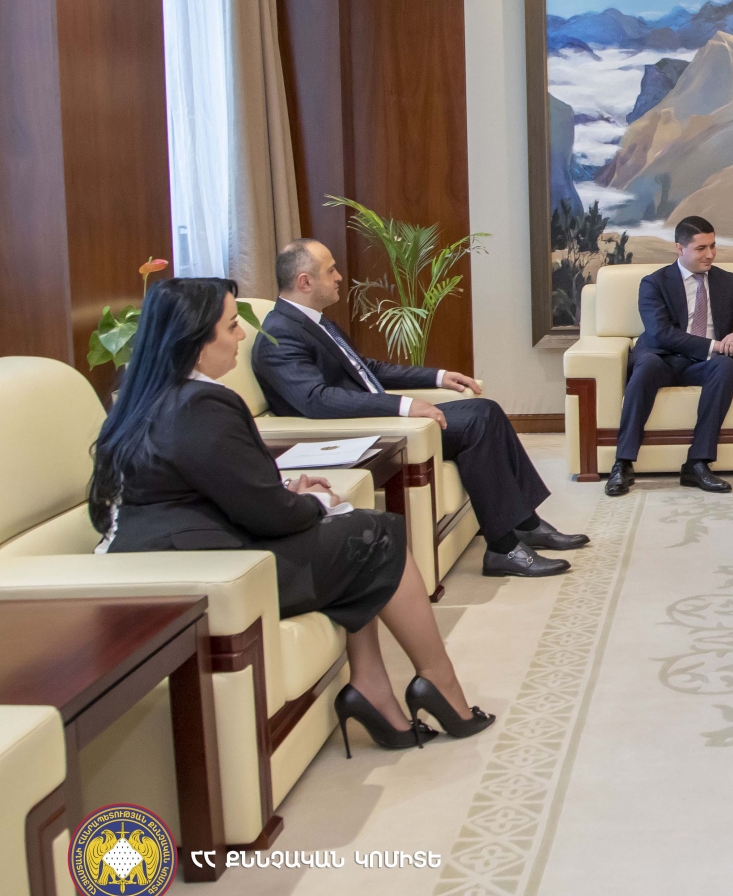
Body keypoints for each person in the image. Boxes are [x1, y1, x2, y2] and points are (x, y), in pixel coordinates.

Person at [91, 278, 496, 753]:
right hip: (202, 570)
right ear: (196, 341)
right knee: (377, 534)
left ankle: (373, 688)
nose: (241, 336)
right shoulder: (201, 404)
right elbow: (270, 517)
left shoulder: (141, 393)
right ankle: (438, 681)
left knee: (351, 533)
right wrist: (311, 502)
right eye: (231, 326)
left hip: (164, 554)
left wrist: (285, 491)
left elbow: (201, 483)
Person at [253, 239, 585, 580]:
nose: (339, 277)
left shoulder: (315, 323)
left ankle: (525, 524)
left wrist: (438, 376)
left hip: (377, 421)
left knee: (487, 411)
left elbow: (366, 369)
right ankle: (503, 549)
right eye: (331, 270)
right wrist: (404, 406)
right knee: (477, 422)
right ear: (305, 281)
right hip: (356, 434)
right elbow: (317, 399)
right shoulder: (279, 335)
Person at [603, 216, 733, 497]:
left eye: (713, 246)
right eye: (701, 248)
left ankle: (697, 463)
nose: (710, 254)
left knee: (725, 367)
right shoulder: (654, 283)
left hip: (705, 365)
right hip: (661, 358)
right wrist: (715, 345)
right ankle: (622, 463)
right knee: (645, 366)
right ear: (680, 249)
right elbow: (660, 333)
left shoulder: (728, 282)